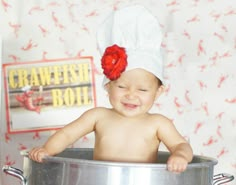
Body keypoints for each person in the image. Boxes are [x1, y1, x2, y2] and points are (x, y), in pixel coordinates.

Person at [29, 5, 193, 173]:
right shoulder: (98, 116)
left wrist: (180, 156)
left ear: (158, 92)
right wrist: (47, 150)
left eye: (142, 90)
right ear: (108, 86)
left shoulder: (158, 123)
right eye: (122, 86)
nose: (131, 95)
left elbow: (180, 144)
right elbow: (67, 135)